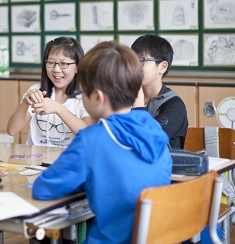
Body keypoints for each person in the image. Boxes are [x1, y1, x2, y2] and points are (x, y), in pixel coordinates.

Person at [32, 41, 172, 244]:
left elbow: (43, 189)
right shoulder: (152, 127)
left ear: (97, 97)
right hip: (159, 237)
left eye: (83, 93)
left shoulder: (92, 139)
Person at [7, 37, 92, 147]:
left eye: (64, 63)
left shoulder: (84, 97)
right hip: (35, 161)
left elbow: (90, 135)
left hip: (69, 161)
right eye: (51, 62)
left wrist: (58, 109)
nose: (56, 69)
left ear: (77, 67)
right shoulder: (37, 91)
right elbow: (11, 130)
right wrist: (25, 103)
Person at [131, 34, 188, 149]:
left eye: (141, 60)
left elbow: (148, 143)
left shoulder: (174, 106)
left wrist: (137, 107)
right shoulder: (125, 97)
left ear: (162, 67)